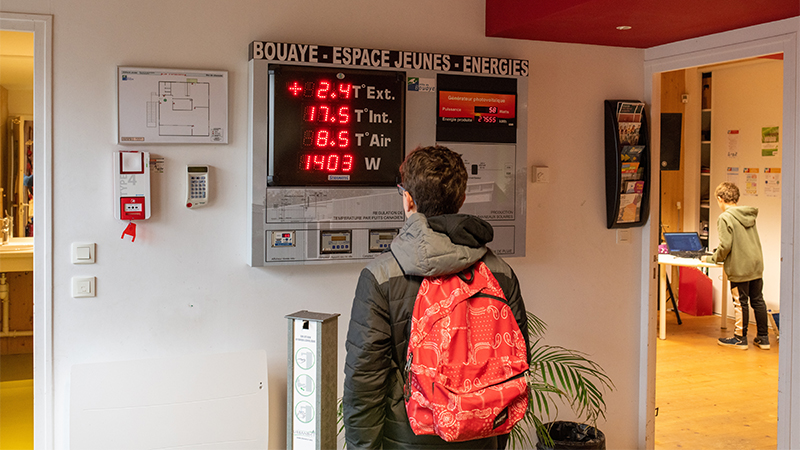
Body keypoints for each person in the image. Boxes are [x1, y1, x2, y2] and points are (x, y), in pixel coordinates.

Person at [343, 145, 529, 449]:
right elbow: (516, 363)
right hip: (480, 435)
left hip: (407, 439)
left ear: (408, 199)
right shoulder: (500, 272)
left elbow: (365, 381)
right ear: (462, 198)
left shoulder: (381, 276)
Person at [702, 182, 769, 350]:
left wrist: (711, 259)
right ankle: (763, 338)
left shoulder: (725, 217)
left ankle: (740, 338)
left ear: (720, 199)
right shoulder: (748, 214)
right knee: (758, 300)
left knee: (741, 302)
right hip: (756, 263)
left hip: (740, 266)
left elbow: (725, 246)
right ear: (736, 198)